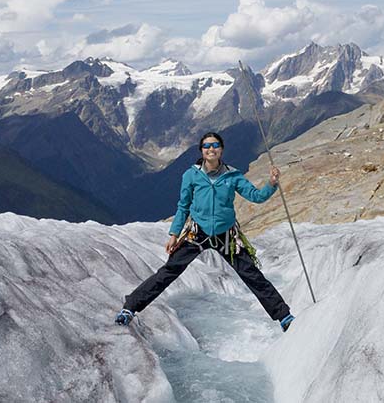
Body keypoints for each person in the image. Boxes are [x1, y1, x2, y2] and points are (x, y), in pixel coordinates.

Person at [115, 132, 295, 332]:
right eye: (207, 146)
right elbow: (183, 206)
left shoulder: (233, 176)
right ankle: (130, 307)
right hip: (197, 233)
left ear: (221, 149)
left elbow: (256, 196)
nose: (211, 149)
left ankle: (283, 315)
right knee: (169, 271)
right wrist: (174, 234)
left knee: (251, 274)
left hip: (225, 235)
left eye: (215, 145)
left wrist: (271, 184)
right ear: (201, 150)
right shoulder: (191, 175)